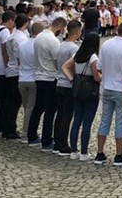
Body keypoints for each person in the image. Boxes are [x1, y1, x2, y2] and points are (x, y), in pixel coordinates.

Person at [95, 20, 122, 166]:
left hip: (107, 86)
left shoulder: (106, 44)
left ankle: (100, 152)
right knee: (120, 121)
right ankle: (119, 154)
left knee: (105, 119)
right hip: (121, 88)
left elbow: (99, 66)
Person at [63, 32, 101, 161]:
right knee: (87, 123)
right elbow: (96, 77)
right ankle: (84, 152)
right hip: (90, 91)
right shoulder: (93, 58)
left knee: (76, 120)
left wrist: (72, 80)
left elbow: (64, 67)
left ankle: (74, 150)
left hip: (78, 89)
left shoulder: (77, 55)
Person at [29, 17, 63, 152]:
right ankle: (47, 139)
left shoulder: (39, 37)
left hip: (39, 75)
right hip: (50, 76)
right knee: (50, 110)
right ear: (59, 26)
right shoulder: (53, 41)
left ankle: (32, 135)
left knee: (38, 107)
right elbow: (57, 61)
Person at [53, 20, 83, 155]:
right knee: (66, 116)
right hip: (68, 83)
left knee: (59, 114)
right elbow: (74, 66)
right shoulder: (74, 48)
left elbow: (56, 63)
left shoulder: (61, 45)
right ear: (76, 31)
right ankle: (63, 144)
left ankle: (57, 141)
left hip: (59, 81)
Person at [1, 12, 28, 139]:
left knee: (9, 101)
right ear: (26, 24)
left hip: (10, 69)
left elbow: (6, 52)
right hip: (17, 71)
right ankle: (10, 128)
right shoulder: (21, 38)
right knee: (15, 102)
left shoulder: (11, 36)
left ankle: (6, 126)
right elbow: (20, 57)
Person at [18, 20, 40, 137]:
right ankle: (26, 132)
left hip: (22, 78)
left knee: (26, 106)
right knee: (30, 108)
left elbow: (18, 61)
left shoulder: (22, 44)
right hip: (32, 78)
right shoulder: (37, 45)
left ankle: (27, 130)